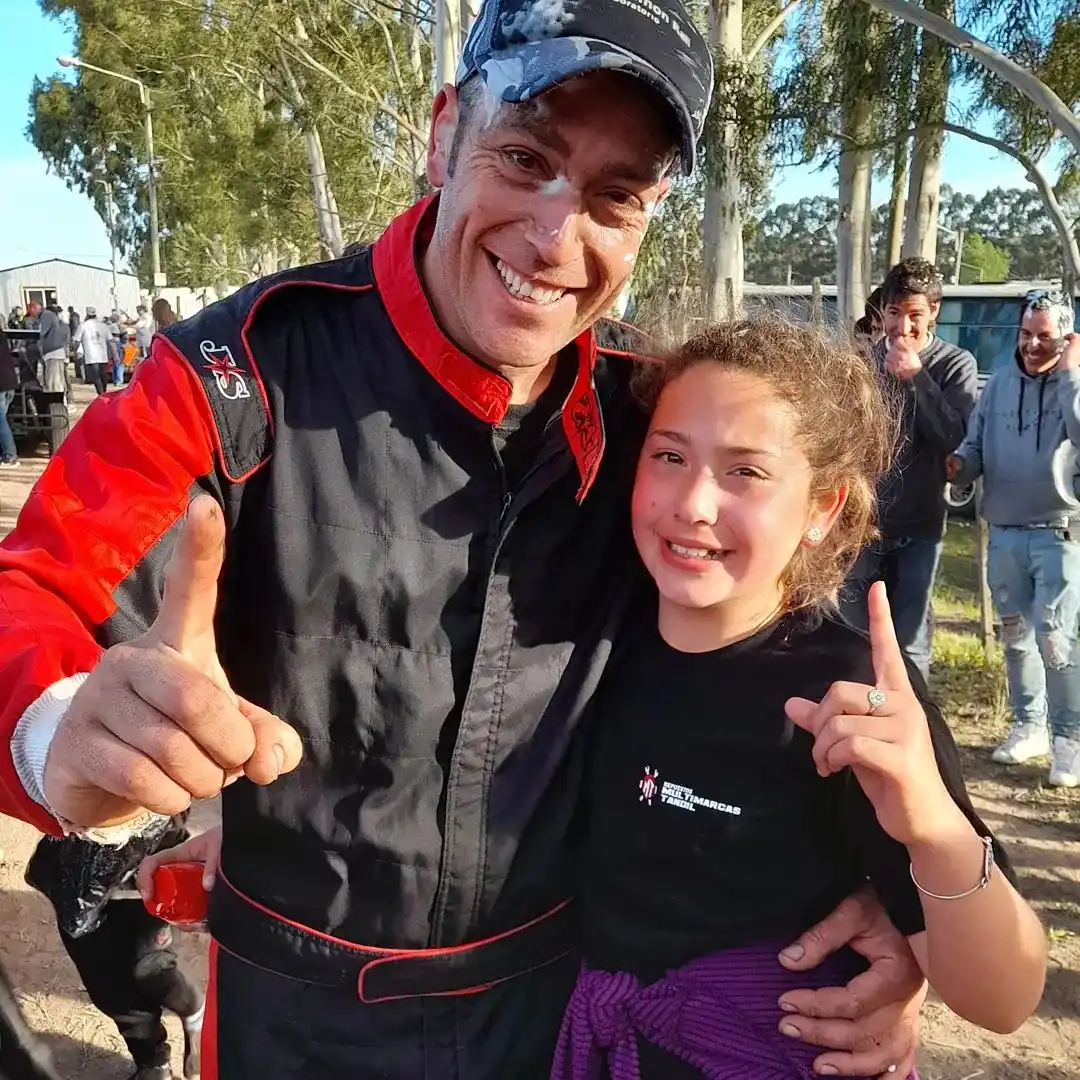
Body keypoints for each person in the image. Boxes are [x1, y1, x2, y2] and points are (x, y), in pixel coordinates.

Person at [0, 3, 926, 1076]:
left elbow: (784, 655)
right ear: (443, 134)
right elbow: (35, 594)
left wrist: (874, 899)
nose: (553, 234)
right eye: (525, 155)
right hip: (289, 1024)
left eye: (614, 198)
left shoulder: (653, 423)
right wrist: (60, 729)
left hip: (554, 1021)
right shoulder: (237, 374)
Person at [552, 318, 1046, 1079]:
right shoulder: (586, 642)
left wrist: (932, 826)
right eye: (670, 456)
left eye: (745, 473)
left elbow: (1004, 1000)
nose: (694, 503)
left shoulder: (852, 693)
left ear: (822, 508)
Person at [947, 289, 1080, 785]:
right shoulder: (999, 384)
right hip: (1004, 532)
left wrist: (1070, 377)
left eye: (1044, 336)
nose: (1031, 345)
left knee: (1056, 641)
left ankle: (1068, 742)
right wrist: (959, 465)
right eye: (1025, 334)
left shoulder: (1074, 383)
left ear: (1066, 340)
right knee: (1017, 637)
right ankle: (1029, 727)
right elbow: (976, 444)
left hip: (1060, 534)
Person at [840, 258, 978, 679]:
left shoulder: (956, 365)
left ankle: (916, 727)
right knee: (850, 633)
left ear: (933, 311)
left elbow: (953, 436)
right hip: (863, 524)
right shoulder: (861, 362)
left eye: (915, 315)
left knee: (909, 641)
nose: (902, 327)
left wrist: (916, 377)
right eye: (894, 314)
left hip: (920, 526)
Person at [25, 816, 204, 1080]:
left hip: (143, 853)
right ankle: (153, 1061)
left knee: (149, 965)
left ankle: (190, 1006)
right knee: (106, 984)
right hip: (78, 862)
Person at [73, 308, 111, 396]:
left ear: (86, 315)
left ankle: (101, 393)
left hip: (91, 355)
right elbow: (110, 340)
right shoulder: (103, 325)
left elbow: (77, 340)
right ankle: (103, 392)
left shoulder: (83, 325)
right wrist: (114, 354)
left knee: (96, 375)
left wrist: (75, 351)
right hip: (102, 354)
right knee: (102, 374)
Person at [36, 302, 69, 396]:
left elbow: (41, 333)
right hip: (55, 353)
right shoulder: (53, 318)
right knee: (58, 381)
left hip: (52, 353)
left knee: (54, 383)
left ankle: (56, 405)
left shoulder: (46, 315)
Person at [0, 327, 19, 469]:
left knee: (0, 420)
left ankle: (10, 456)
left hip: (1, 385)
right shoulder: (3, 336)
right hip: (10, 383)